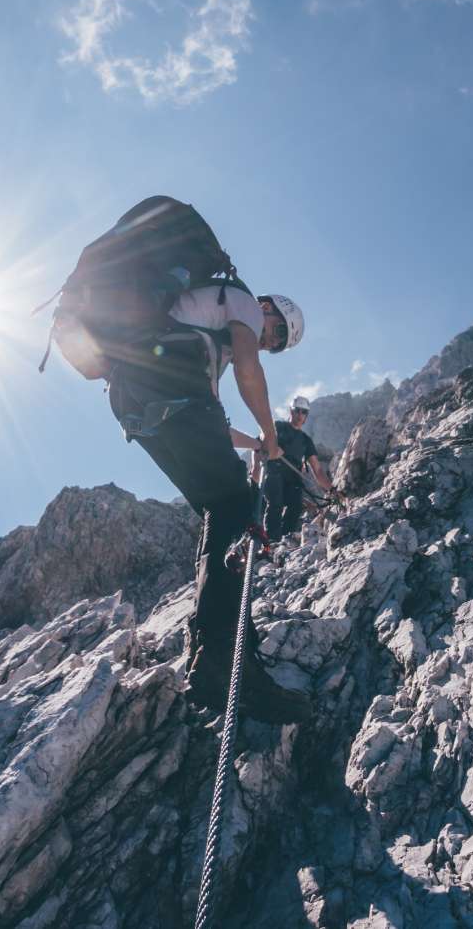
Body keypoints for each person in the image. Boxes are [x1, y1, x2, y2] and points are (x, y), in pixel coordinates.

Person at [52, 197, 313, 726]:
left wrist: (254, 445)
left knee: (225, 508)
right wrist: (270, 434)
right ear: (265, 307)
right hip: (167, 389)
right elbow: (247, 373)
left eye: (279, 343)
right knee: (237, 505)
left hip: (140, 399)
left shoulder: (195, 331)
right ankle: (221, 659)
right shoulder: (235, 298)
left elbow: (211, 421)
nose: (270, 341)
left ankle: (210, 654)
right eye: (276, 329)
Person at [255, 401, 335, 541]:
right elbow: (260, 442)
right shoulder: (277, 426)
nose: (300, 414)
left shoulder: (305, 440)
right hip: (274, 471)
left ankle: (286, 539)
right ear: (291, 411)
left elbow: (317, 469)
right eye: (297, 410)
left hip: (293, 477)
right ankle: (271, 542)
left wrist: (332, 491)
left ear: (306, 416)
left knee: (296, 506)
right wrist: (258, 464)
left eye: (303, 412)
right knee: (275, 504)